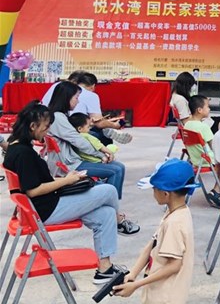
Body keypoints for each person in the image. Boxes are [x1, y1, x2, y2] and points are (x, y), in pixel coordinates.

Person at [2, 101, 130, 284]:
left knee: (106, 213)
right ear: (33, 126)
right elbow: (33, 190)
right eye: (46, 127)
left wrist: (67, 180)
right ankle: (120, 221)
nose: (47, 131)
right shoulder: (23, 153)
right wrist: (66, 180)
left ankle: (105, 269)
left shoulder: (17, 146)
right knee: (109, 190)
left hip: (46, 204)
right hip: (46, 209)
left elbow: (35, 183)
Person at [113, 158, 196, 304]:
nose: (153, 193)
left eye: (155, 189)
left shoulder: (175, 223)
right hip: (165, 297)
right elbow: (151, 245)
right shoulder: (176, 212)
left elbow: (174, 265)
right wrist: (133, 274)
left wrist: (136, 285)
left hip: (163, 298)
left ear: (166, 194)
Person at [47, 80, 140, 233]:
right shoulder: (58, 118)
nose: (78, 101)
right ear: (66, 97)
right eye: (76, 98)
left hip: (70, 159)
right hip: (69, 164)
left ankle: (111, 211)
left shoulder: (60, 115)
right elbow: (78, 140)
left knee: (116, 166)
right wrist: (100, 154)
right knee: (116, 169)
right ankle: (115, 216)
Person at [43, 71, 130, 146]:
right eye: (76, 98)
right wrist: (115, 125)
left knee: (92, 126)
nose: (78, 101)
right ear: (93, 86)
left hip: (48, 128)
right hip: (69, 133)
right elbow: (99, 123)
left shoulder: (56, 86)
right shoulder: (88, 95)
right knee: (102, 136)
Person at [183, 94, 220, 207]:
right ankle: (217, 192)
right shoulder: (203, 127)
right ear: (199, 110)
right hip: (207, 159)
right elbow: (214, 145)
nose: (209, 109)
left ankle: (219, 192)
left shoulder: (187, 125)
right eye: (208, 106)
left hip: (195, 159)